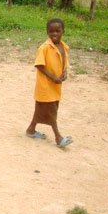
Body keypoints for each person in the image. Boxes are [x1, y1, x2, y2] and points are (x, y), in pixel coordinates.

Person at [25, 18, 72, 148]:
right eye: (51, 31)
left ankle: (31, 129)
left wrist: (64, 73)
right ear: (47, 32)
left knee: (41, 109)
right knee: (51, 111)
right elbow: (40, 65)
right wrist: (53, 78)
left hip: (55, 86)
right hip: (45, 85)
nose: (54, 34)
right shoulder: (44, 48)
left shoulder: (63, 46)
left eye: (57, 31)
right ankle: (58, 137)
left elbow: (64, 62)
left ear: (63, 31)